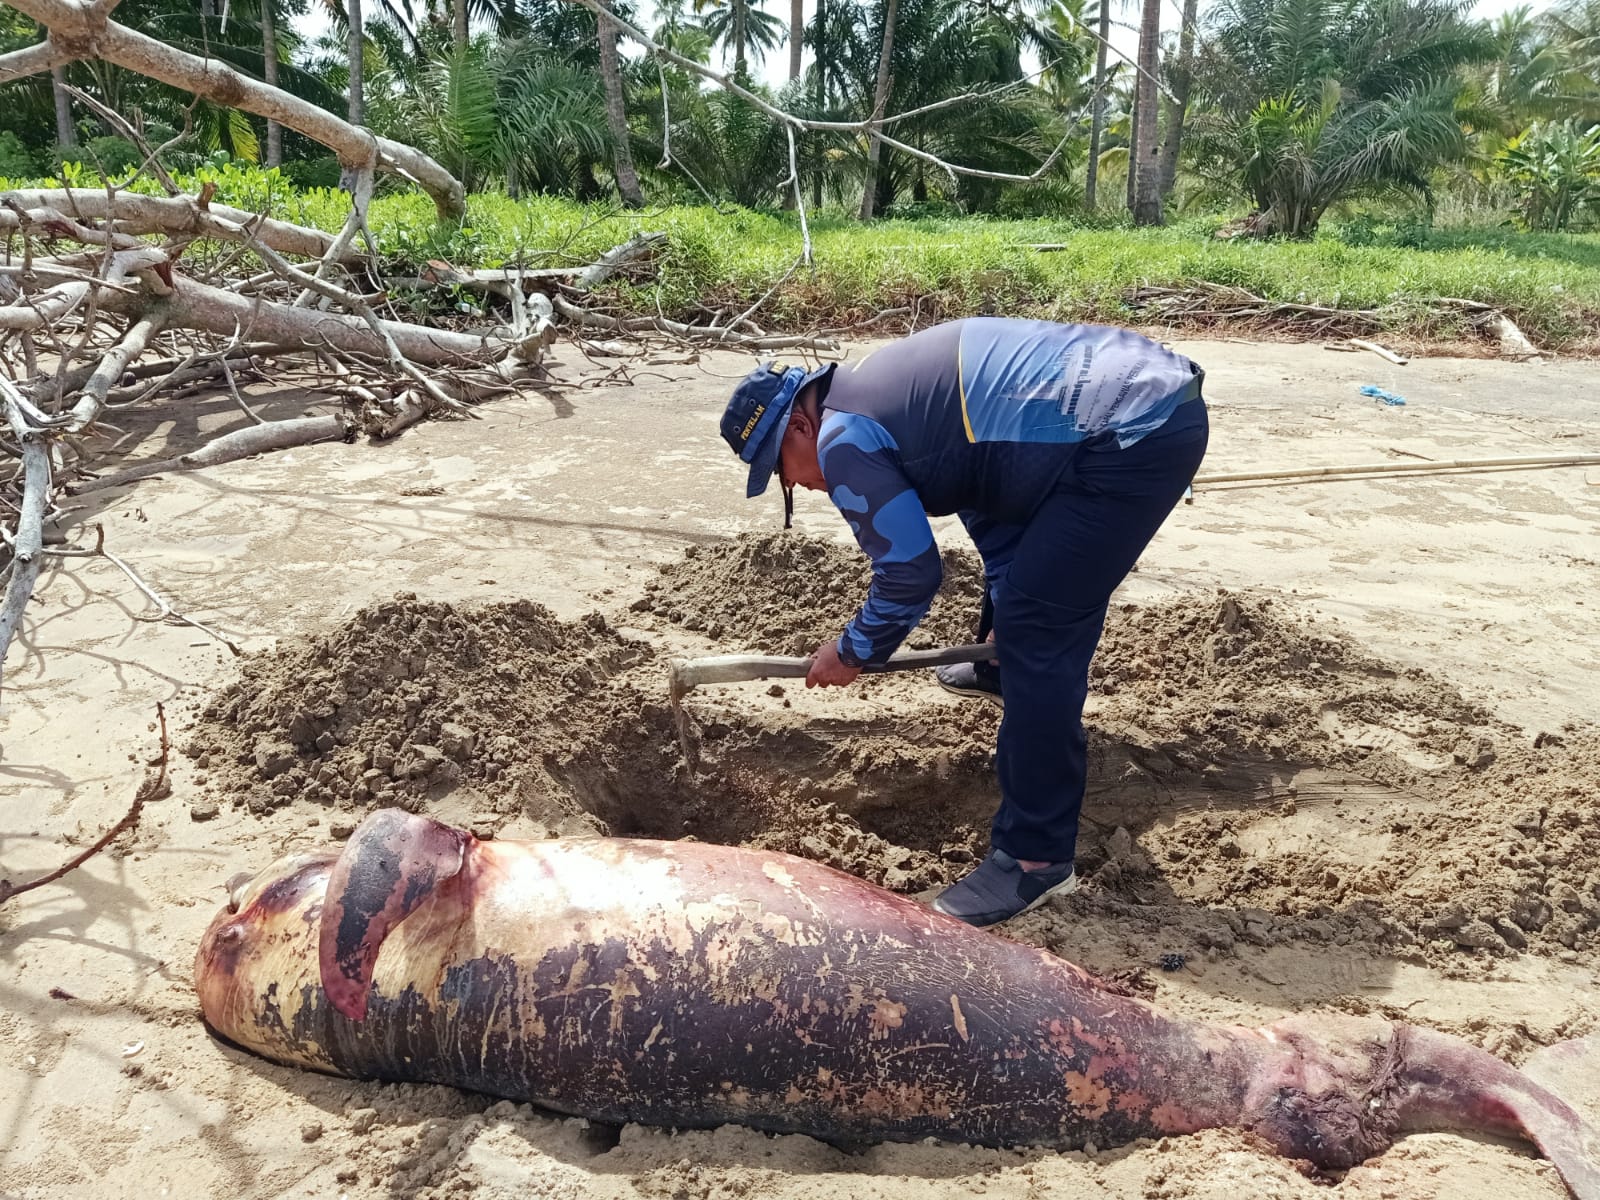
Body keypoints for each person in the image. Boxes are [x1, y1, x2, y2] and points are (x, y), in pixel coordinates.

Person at [719, 318, 1208, 928]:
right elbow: (991, 496)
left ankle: (1035, 861)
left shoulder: (843, 439)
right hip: (1137, 402)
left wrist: (853, 651)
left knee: (1040, 630)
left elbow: (910, 573)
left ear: (798, 425)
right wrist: (999, 629)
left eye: (782, 470)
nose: (797, 483)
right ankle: (1006, 669)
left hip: (1134, 432)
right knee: (1023, 613)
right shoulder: (879, 396)